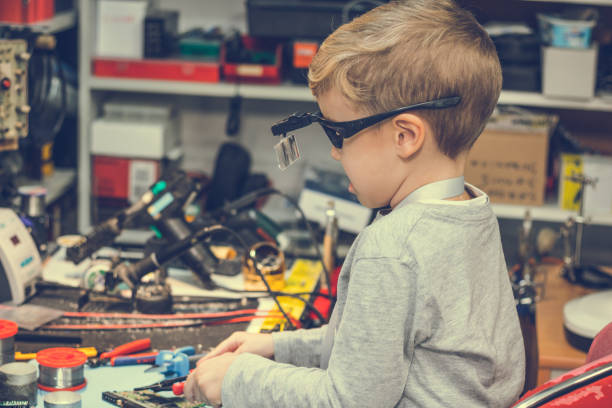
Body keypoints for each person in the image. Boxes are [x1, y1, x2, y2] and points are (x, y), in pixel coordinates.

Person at [184, 0, 525, 406]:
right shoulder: (472, 211)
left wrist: (237, 378)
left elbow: (345, 401)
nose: (334, 153)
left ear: (405, 137)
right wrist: (277, 347)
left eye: (338, 133)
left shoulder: (392, 249)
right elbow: (376, 348)